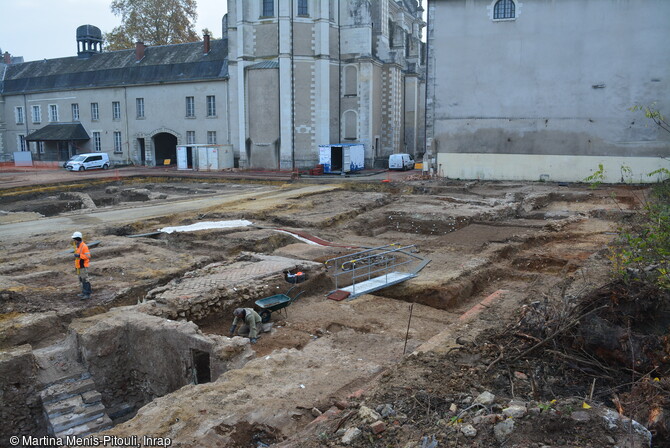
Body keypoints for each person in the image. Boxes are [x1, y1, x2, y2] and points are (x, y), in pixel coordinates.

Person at [71, 231, 92, 300]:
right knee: (81, 280)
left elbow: (88, 256)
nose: (74, 241)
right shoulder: (78, 246)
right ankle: (83, 292)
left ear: (77, 238)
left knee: (85, 280)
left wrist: (79, 255)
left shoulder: (84, 246)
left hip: (83, 266)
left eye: (74, 239)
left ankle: (87, 293)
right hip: (79, 266)